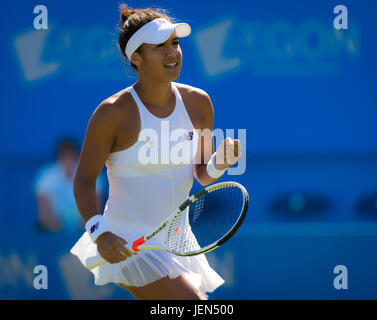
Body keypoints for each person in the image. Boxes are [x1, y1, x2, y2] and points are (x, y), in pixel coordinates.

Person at [70, 5, 242, 300]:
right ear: (136, 58)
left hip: (177, 241)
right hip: (128, 242)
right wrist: (100, 233)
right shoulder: (112, 113)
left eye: (174, 43)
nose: (172, 52)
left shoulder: (199, 104)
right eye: (160, 47)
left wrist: (220, 162)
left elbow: (202, 174)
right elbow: (83, 180)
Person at [35, 138, 105, 234]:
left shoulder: (92, 174)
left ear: (76, 157)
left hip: (85, 230)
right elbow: (44, 216)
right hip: (53, 231)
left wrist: (86, 225)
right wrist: (54, 225)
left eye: (71, 157)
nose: (68, 161)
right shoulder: (46, 177)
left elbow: (96, 213)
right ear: (59, 158)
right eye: (64, 157)